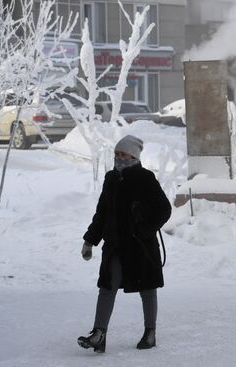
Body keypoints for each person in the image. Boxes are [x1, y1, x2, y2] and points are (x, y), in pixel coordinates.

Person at [77, 135, 172, 353]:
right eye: (116, 154)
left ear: (134, 155)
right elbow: (102, 213)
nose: (119, 158)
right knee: (107, 286)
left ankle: (150, 333)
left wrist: (144, 229)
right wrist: (90, 240)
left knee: (147, 289)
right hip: (115, 246)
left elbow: (164, 209)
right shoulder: (111, 178)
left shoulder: (145, 178)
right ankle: (99, 334)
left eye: (123, 154)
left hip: (140, 246)